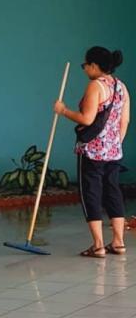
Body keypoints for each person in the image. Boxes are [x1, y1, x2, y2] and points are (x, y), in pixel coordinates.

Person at [54, 46, 130, 258]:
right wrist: (115, 144)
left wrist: (63, 111)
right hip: (114, 152)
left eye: (85, 65)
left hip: (91, 152)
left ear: (94, 65)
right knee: (113, 193)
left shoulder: (95, 86)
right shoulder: (121, 87)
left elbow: (87, 119)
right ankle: (118, 242)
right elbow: (125, 120)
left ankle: (98, 245)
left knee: (91, 194)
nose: (85, 69)